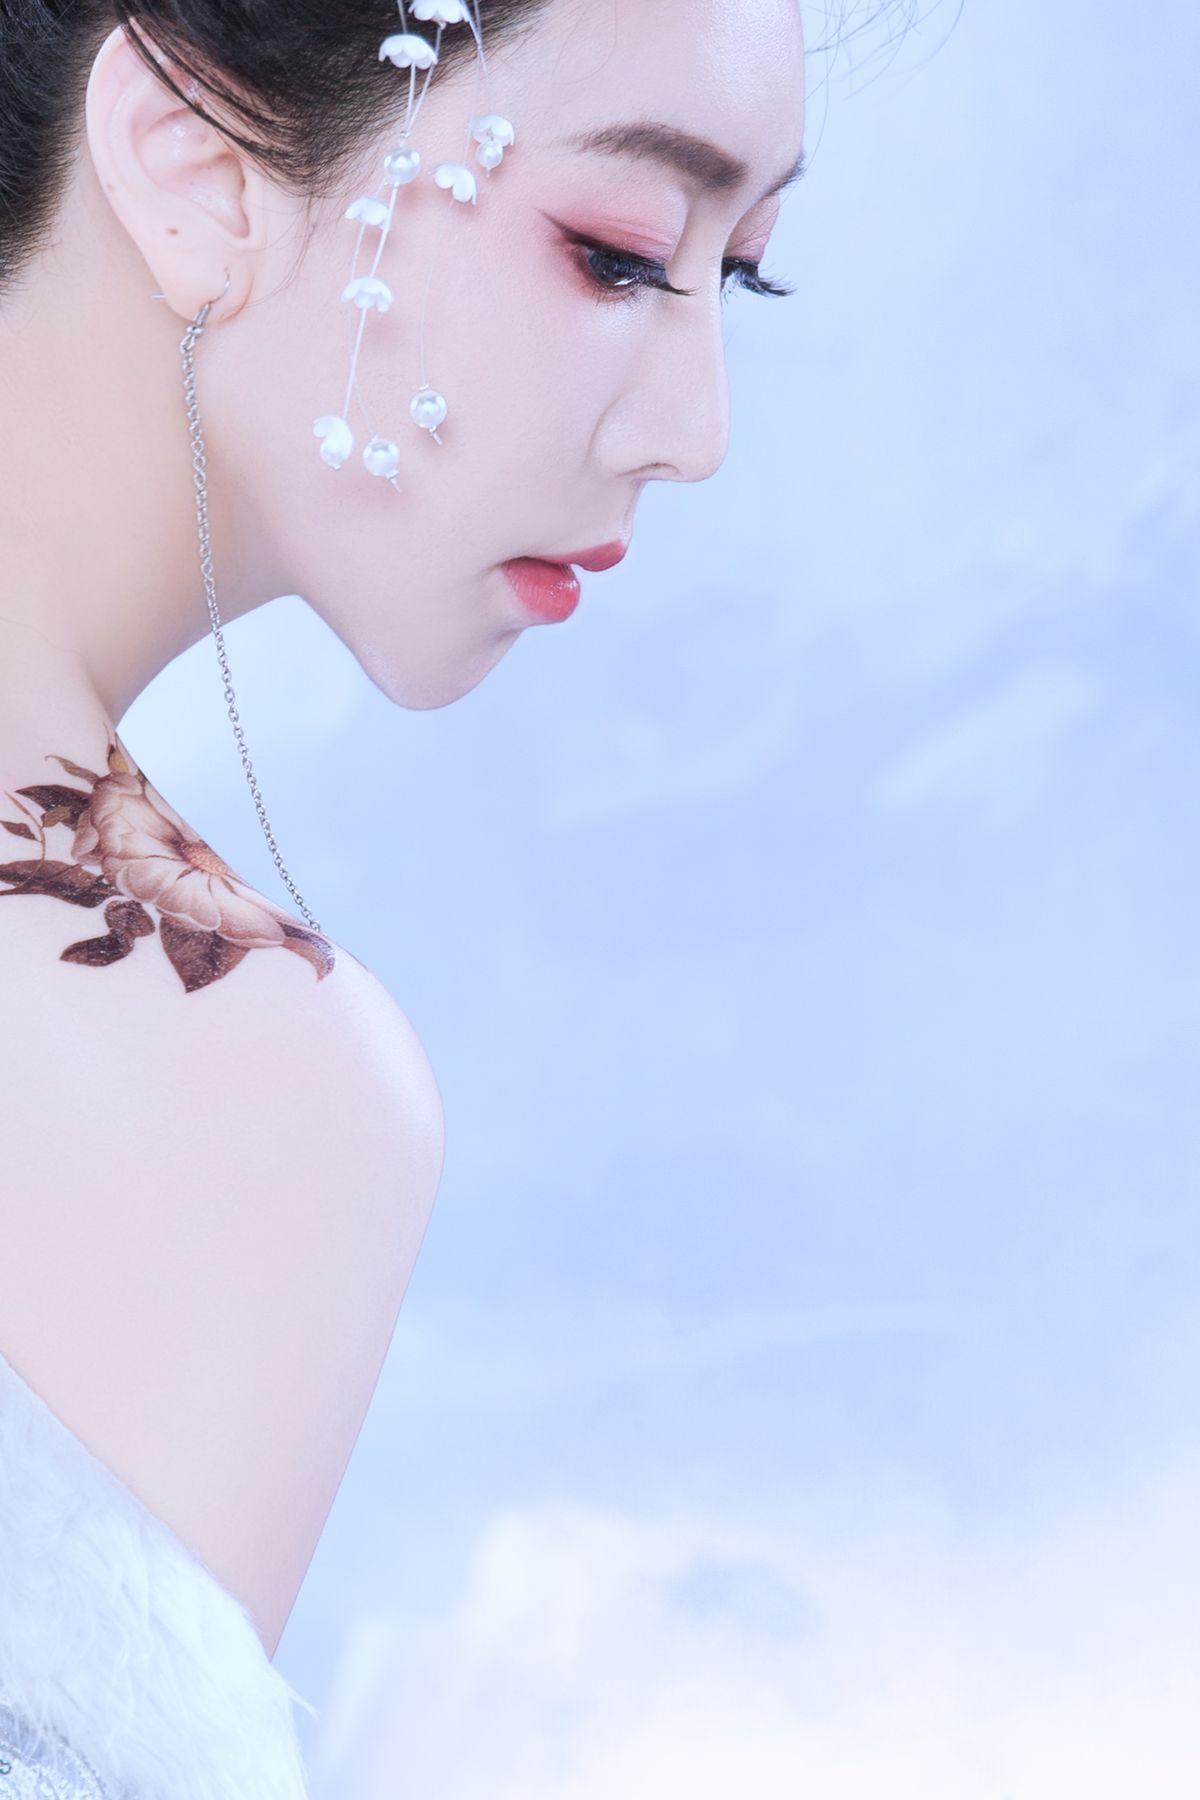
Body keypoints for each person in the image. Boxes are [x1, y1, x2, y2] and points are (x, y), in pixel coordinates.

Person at [0, 0, 808, 1790]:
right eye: (619, 254)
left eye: (739, 276)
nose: (694, 432)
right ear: (194, 166)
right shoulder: (240, 1090)